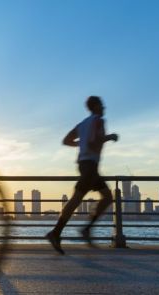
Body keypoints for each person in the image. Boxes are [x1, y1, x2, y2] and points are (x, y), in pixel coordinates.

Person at [46, 96, 118, 254]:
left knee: (106, 197)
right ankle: (56, 233)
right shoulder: (99, 120)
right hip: (89, 166)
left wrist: (81, 143)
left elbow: (66, 140)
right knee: (76, 199)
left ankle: (83, 229)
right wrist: (110, 137)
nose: (104, 107)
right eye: (101, 105)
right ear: (96, 106)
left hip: (86, 166)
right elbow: (94, 142)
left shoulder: (83, 124)